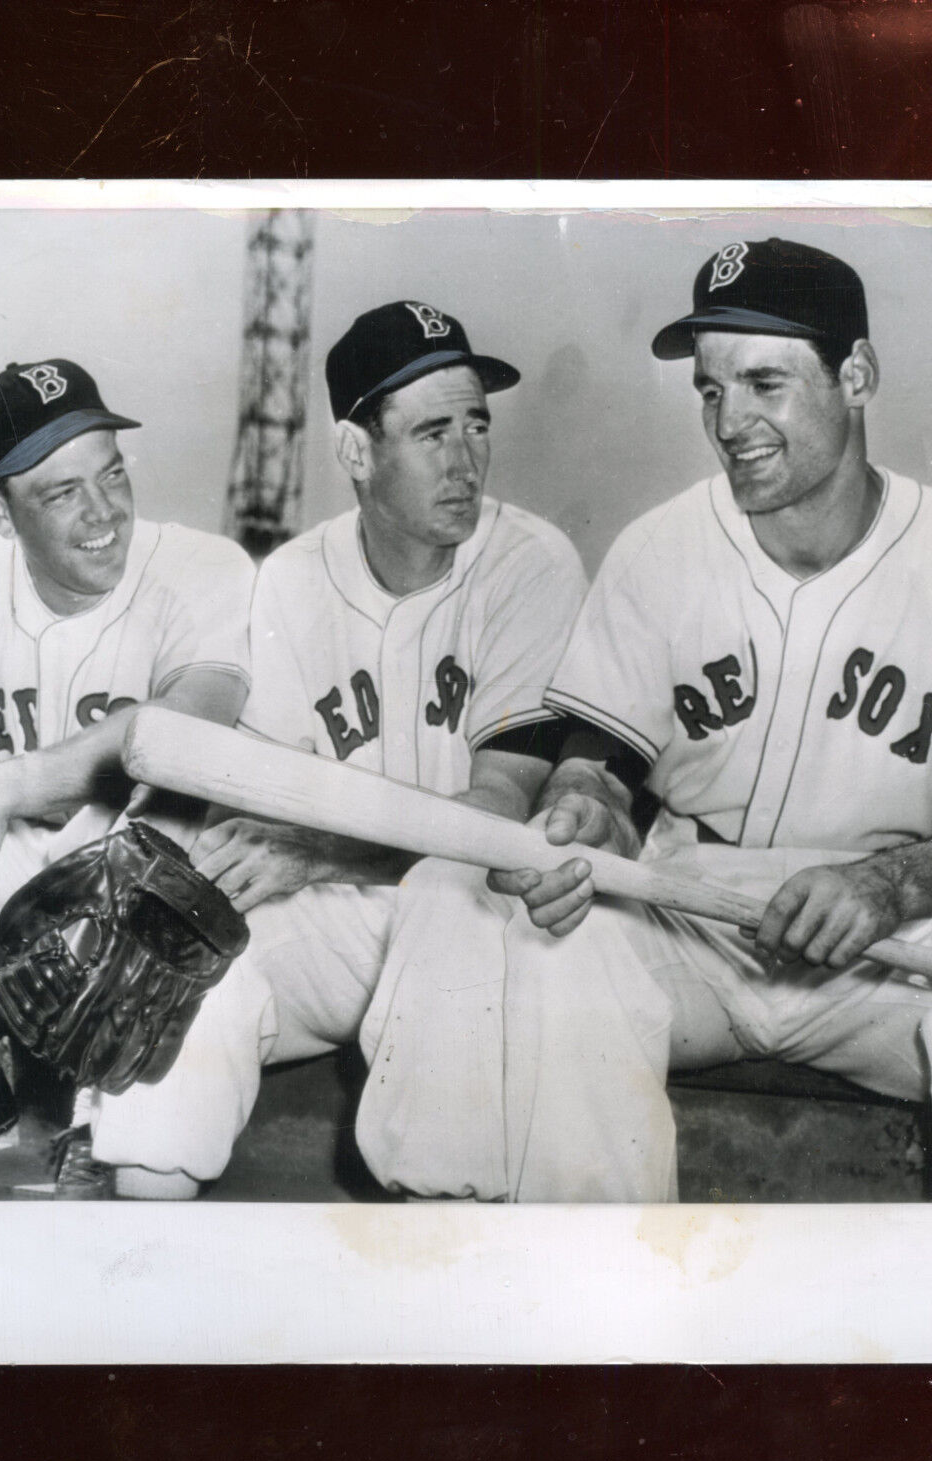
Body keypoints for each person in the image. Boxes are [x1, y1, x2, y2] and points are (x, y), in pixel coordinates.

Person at [471, 237, 932, 1202]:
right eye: (710, 390)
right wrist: (581, 814)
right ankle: (597, 1307)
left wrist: (895, 884)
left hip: (889, 954)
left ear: (853, 374)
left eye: (764, 382)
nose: (730, 421)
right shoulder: (659, 549)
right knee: (544, 941)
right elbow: (592, 767)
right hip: (696, 926)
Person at [85, 300, 589, 1197]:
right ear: (357, 454)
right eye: (432, 431)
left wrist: (311, 851)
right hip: (337, 911)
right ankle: (142, 1244)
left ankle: (438, 1278)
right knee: (190, 965)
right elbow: (251, 798)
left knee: (449, 908)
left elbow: (497, 815)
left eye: (476, 424)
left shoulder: (530, 563)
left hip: (480, 913)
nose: (467, 459)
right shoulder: (290, 579)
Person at [0, 359, 254, 1189]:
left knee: (146, 841)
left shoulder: (203, 566)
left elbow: (191, 725)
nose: (104, 513)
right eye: (61, 492)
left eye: (111, 473)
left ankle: (97, 1120)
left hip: (147, 881)